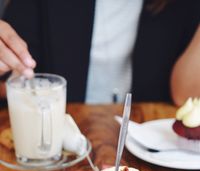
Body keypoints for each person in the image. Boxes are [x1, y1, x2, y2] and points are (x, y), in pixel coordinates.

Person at [0, 0, 199, 106]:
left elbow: (186, 96)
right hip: (53, 142)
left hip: (154, 152)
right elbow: (9, 80)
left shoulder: (183, 5)